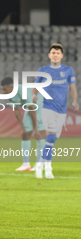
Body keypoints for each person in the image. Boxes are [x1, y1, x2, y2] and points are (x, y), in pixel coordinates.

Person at [33, 43, 79, 179]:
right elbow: (35, 85)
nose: (55, 55)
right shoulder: (43, 70)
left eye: (58, 53)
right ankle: (48, 168)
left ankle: (40, 164)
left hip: (62, 110)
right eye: (53, 53)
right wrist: (34, 95)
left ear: (61, 56)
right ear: (49, 55)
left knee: (52, 141)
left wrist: (74, 101)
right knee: (51, 137)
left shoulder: (68, 70)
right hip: (47, 107)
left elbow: (73, 88)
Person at [1, 77, 45, 172]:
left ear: (11, 87)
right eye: (2, 90)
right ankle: (26, 164)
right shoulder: (9, 95)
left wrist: (35, 129)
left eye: (5, 89)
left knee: (39, 134)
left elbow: (32, 108)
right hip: (31, 108)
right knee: (24, 135)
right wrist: (22, 128)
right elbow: (16, 110)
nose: (3, 92)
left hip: (41, 106)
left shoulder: (21, 90)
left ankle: (39, 164)